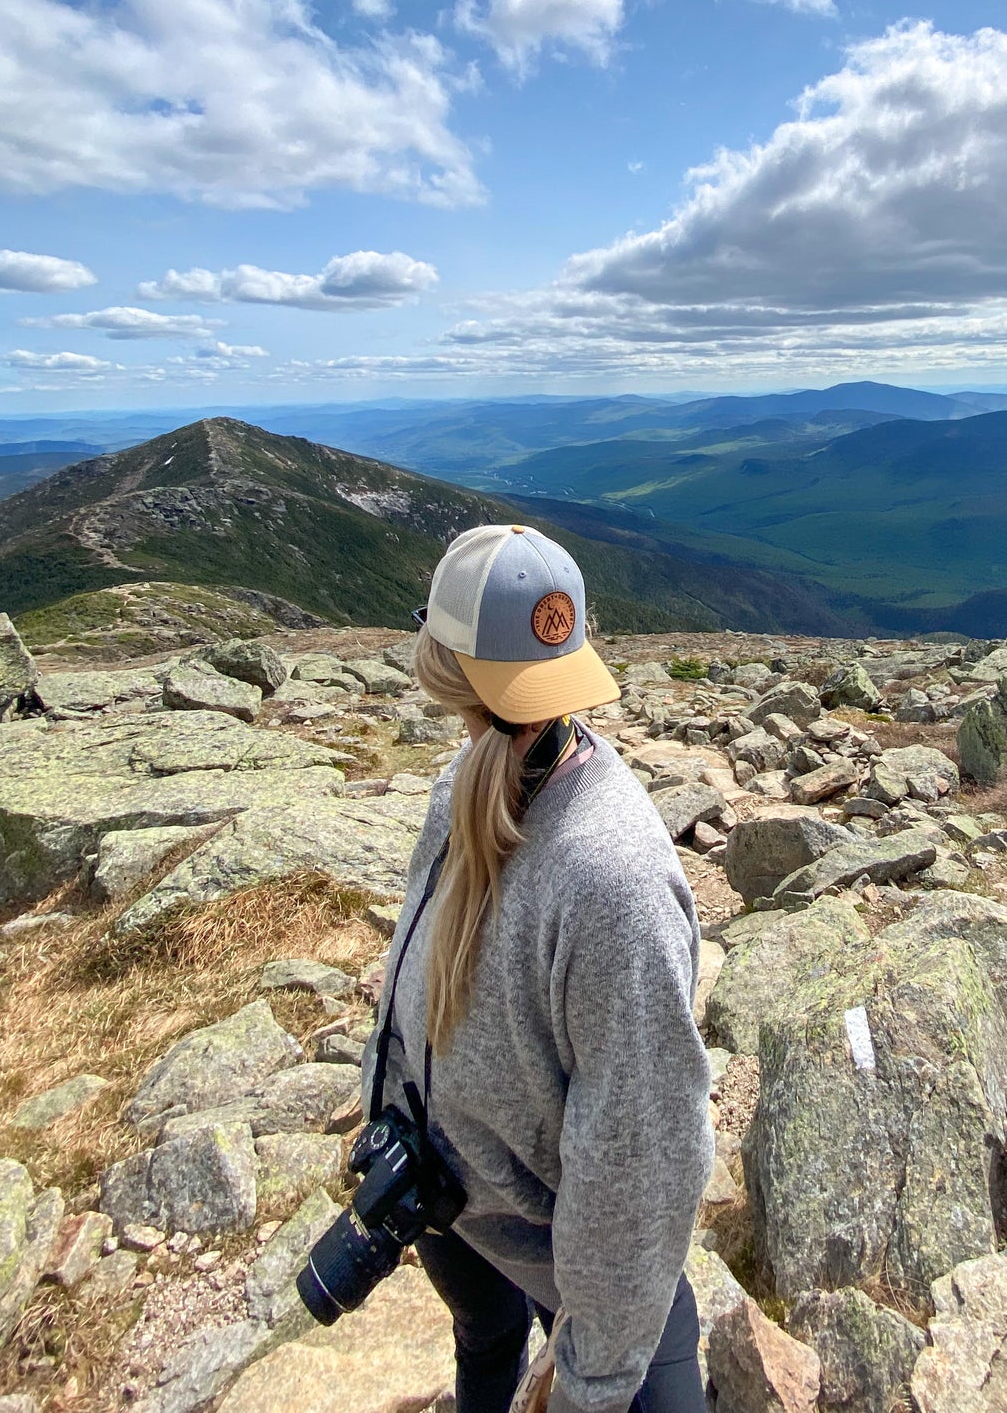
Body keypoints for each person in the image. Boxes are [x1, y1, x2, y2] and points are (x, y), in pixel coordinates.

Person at [364, 522, 715, 1413]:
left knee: (627, 1371)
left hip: (556, 1249)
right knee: (485, 1342)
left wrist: (591, 1381)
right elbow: (412, 965)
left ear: (443, 666)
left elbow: (637, 1165)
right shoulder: (464, 784)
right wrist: (382, 1108)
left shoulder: (612, 876)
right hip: (453, 1209)